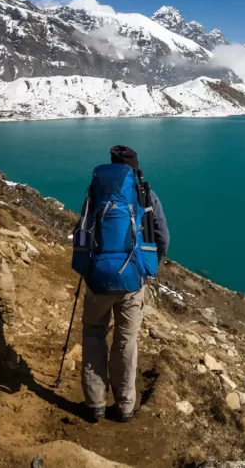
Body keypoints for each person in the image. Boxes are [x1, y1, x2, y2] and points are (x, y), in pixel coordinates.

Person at [77, 145, 169, 423]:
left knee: (94, 334)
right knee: (125, 341)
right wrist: (147, 267)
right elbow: (162, 237)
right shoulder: (145, 194)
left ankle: (94, 404)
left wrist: (85, 268)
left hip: (98, 278)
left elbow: (82, 231)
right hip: (132, 279)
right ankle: (125, 405)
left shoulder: (95, 193)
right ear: (134, 168)